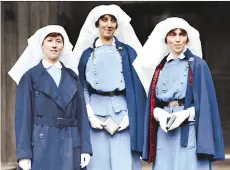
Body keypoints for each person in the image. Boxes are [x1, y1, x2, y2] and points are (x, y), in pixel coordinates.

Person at [133, 17, 225, 170]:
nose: (177, 39)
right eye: (172, 34)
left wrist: (186, 114)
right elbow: (154, 101)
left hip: (188, 130)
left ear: (187, 39)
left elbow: (206, 103)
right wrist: (158, 113)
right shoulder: (160, 67)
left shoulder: (198, 65)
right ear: (165, 39)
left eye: (181, 34)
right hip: (165, 131)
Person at [72, 4, 146, 170]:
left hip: (122, 113)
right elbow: (82, 86)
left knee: (123, 162)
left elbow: (135, 87)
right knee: (97, 163)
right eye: (104, 20)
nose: (109, 24)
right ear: (97, 23)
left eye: (113, 20)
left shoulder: (127, 52)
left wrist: (129, 116)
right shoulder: (87, 54)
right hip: (95, 114)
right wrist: (89, 114)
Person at [8, 25, 92, 170]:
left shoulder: (72, 77)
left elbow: (82, 116)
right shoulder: (30, 77)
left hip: (70, 142)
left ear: (63, 46)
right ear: (42, 44)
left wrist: (85, 148)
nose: (54, 45)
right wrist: (24, 154)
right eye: (50, 40)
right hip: (41, 144)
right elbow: (23, 118)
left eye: (58, 41)